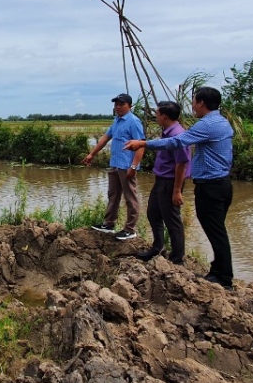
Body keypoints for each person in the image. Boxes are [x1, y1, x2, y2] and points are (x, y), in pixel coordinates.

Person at [124, 86, 234, 288]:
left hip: (211, 186)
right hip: (220, 184)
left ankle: (223, 278)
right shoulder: (222, 121)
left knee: (215, 231)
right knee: (216, 230)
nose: (192, 105)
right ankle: (218, 271)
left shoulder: (207, 124)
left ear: (201, 103)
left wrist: (143, 143)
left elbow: (177, 143)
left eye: (194, 101)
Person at [81, 93, 145, 240]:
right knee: (113, 195)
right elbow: (105, 138)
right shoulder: (117, 120)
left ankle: (130, 229)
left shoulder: (134, 122)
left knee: (130, 197)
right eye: (116, 104)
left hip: (127, 165)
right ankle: (109, 224)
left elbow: (141, 145)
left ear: (129, 106)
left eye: (121, 104)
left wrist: (134, 166)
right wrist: (92, 154)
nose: (117, 107)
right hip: (115, 163)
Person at [137, 101, 191, 265]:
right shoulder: (167, 132)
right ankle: (157, 247)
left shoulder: (177, 135)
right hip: (161, 180)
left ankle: (177, 258)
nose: (156, 116)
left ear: (164, 116)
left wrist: (176, 190)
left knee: (172, 220)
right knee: (153, 213)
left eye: (157, 113)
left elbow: (181, 164)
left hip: (170, 182)